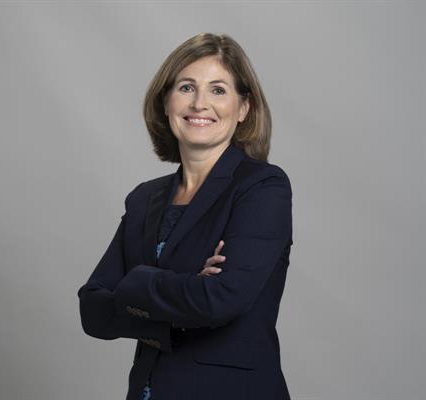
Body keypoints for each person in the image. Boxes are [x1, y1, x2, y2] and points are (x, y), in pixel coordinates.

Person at [77, 32, 293, 400]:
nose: (200, 103)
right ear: (165, 102)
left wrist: (136, 282)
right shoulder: (144, 198)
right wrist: (186, 289)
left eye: (219, 90)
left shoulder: (263, 188)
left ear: (244, 109)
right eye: (187, 87)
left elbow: (221, 299)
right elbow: (93, 309)